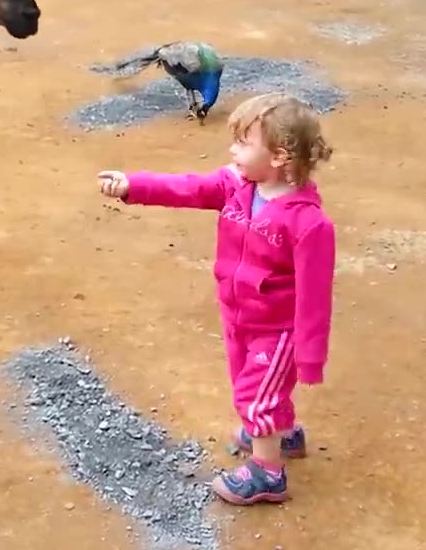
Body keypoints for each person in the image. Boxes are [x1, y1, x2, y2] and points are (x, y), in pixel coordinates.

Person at [96, 92, 336, 505]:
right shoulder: (236, 185)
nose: (232, 150)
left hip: (277, 330)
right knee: (255, 389)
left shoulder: (308, 223)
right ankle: (281, 434)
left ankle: (268, 474)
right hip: (238, 314)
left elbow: (316, 298)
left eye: (243, 143)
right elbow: (188, 188)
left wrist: (310, 357)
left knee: (254, 395)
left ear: (279, 156)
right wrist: (134, 185)